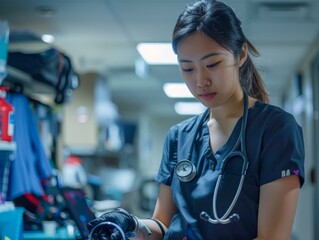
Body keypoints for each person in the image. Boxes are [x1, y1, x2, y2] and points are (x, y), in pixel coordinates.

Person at [87, 0, 305, 239]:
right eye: (187, 69)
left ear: (241, 54)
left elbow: (272, 237)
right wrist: (133, 224)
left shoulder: (275, 129)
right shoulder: (178, 137)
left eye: (212, 64)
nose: (201, 81)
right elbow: (162, 224)